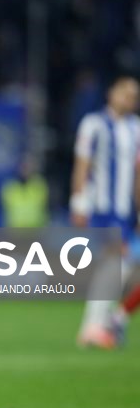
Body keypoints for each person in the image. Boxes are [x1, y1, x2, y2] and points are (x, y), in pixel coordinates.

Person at [71, 76, 140, 349]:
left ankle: (106, 322)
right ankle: (94, 326)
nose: (130, 99)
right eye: (125, 93)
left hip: (126, 211)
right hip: (102, 208)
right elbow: (82, 164)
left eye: (134, 95)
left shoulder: (136, 128)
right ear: (111, 93)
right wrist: (78, 200)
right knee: (115, 263)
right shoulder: (94, 124)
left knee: (122, 268)